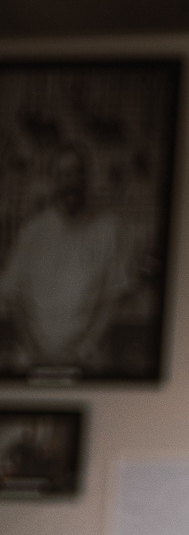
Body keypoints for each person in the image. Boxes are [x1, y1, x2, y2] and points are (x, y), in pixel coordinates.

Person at [0, 145, 135, 375]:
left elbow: (113, 297)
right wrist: (37, 352)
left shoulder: (109, 230)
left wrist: (81, 350)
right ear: (54, 180)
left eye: (76, 172)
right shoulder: (32, 232)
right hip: (32, 360)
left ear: (86, 177)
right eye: (63, 174)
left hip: (87, 362)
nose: (70, 181)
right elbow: (13, 296)